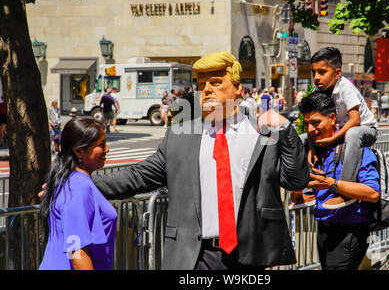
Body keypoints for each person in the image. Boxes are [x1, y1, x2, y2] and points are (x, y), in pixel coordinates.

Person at [62, 51, 309, 270]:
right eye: (202, 85)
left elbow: (296, 179)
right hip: (196, 256)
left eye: (215, 82)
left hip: (249, 255)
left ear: (237, 89)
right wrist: (75, 181)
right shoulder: (180, 136)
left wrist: (286, 130)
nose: (208, 90)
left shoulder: (261, 134)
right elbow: (137, 176)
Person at [299, 92, 380, 270]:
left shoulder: (353, 149)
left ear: (333, 118)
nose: (311, 129)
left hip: (349, 232)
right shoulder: (315, 151)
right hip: (324, 229)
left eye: (315, 122)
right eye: (307, 125)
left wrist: (331, 184)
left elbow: (372, 193)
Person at [39, 117, 116, 270]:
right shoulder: (78, 187)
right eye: (101, 145)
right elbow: (76, 253)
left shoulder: (72, 181)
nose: (107, 149)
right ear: (79, 151)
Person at [306, 47, 378, 209]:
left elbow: (355, 120)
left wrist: (333, 138)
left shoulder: (346, 87)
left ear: (337, 73)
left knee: (352, 134)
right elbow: (310, 121)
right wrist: (311, 147)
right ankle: (303, 190)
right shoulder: (319, 91)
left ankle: (345, 191)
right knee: (302, 137)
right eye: (314, 73)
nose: (316, 78)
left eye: (322, 72)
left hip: (365, 130)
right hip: (341, 131)